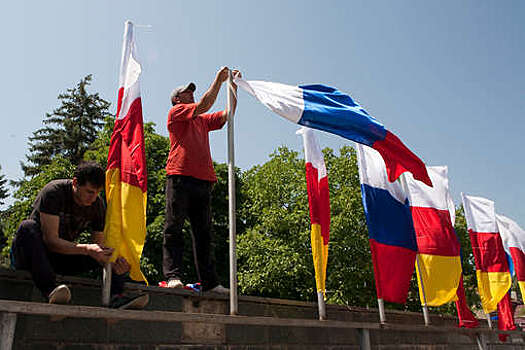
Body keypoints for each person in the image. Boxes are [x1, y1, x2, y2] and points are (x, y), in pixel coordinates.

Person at [11, 161, 148, 309]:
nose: (93, 198)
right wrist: (87, 249)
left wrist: (114, 265)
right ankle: (50, 290)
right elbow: (51, 241)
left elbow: (99, 248)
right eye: (89, 192)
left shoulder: (97, 205)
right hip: (33, 255)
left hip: (60, 258)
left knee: (107, 252)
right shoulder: (54, 192)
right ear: (75, 183)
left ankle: (116, 296)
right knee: (27, 226)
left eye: (97, 193)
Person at [163, 67, 240, 292]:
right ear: (177, 99)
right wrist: (218, 80)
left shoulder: (202, 121)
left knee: (204, 234)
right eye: (186, 92)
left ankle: (210, 283)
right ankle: (173, 277)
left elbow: (227, 115)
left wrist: (232, 87)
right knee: (174, 228)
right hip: (179, 176)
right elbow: (205, 104)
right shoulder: (177, 113)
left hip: (203, 180)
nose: (191, 94)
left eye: (191, 91)